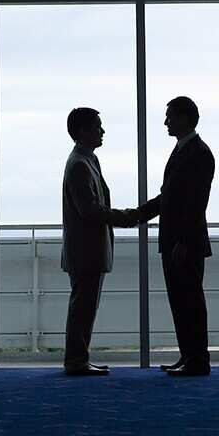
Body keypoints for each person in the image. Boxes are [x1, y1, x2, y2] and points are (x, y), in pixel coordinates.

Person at [135, 96, 215, 376]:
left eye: (170, 116)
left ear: (184, 118)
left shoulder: (199, 153)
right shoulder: (184, 150)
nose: (166, 122)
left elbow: (195, 203)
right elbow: (169, 198)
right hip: (175, 242)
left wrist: (183, 240)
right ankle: (189, 356)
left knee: (190, 302)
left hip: (184, 244)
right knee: (180, 302)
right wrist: (137, 215)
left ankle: (197, 360)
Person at [60, 107, 138, 376]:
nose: (102, 131)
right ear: (82, 131)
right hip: (86, 252)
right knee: (82, 308)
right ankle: (76, 361)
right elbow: (90, 210)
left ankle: (78, 359)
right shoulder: (80, 164)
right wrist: (127, 217)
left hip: (87, 250)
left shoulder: (87, 160)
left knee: (84, 307)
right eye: (97, 126)